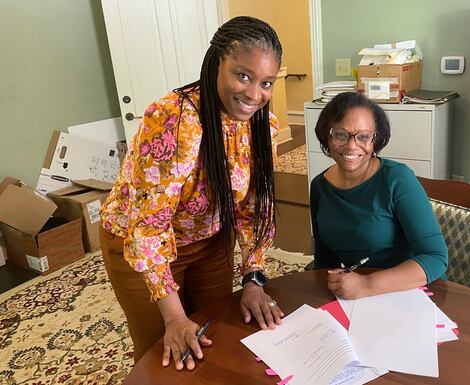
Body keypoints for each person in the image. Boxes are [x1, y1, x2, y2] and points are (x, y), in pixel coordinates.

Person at [99, 16, 284, 371]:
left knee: (216, 336)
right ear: (217, 63)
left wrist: (254, 278)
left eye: (266, 83)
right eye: (243, 75)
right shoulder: (173, 119)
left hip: (211, 242)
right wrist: (172, 317)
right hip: (141, 245)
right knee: (163, 351)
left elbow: (253, 210)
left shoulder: (263, 128)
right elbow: (148, 226)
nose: (254, 94)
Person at [310, 92, 448, 300]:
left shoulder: (397, 179)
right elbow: (324, 259)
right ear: (327, 137)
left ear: (375, 140)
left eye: (363, 136)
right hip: (354, 297)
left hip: (413, 292)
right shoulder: (319, 186)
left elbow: (436, 257)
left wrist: (367, 284)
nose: (351, 145)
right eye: (340, 134)